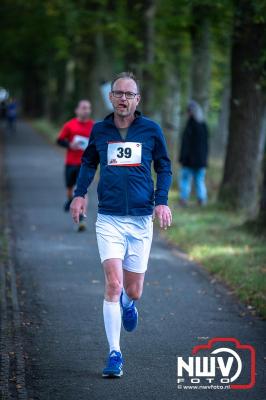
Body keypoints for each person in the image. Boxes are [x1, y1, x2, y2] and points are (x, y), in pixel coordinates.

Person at [70, 72, 172, 378]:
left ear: (137, 99)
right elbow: (89, 162)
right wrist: (79, 195)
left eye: (130, 94)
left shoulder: (151, 130)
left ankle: (129, 304)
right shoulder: (101, 130)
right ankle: (115, 353)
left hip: (141, 219)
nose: (124, 98)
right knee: (113, 284)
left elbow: (164, 165)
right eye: (119, 93)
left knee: (133, 290)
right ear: (111, 97)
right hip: (110, 218)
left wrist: (162, 200)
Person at [56, 100, 94, 231]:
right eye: (83, 108)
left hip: (86, 165)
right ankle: (70, 200)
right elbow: (59, 140)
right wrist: (70, 145)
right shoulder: (69, 125)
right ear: (77, 110)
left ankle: (82, 218)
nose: (86, 110)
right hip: (70, 163)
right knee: (69, 189)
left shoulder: (94, 127)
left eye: (88, 108)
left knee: (83, 190)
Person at [178, 100, 209, 206]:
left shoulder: (191, 125)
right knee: (198, 180)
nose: (188, 113)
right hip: (200, 160)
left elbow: (187, 144)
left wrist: (183, 158)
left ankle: (185, 200)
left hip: (189, 160)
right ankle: (201, 200)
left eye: (189, 111)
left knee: (186, 180)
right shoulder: (203, 125)